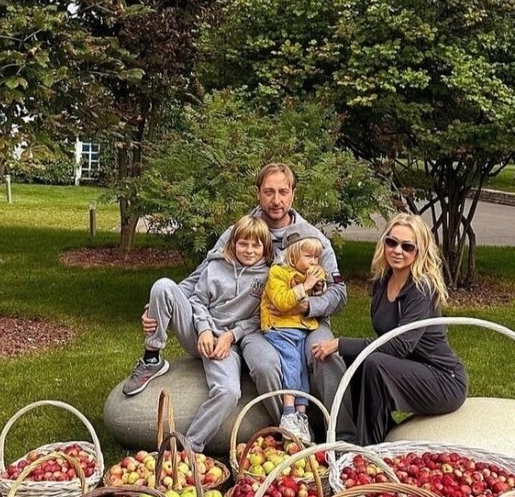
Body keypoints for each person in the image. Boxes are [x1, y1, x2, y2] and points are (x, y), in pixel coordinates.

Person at [128, 162, 349, 416]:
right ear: (258, 193)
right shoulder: (240, 232)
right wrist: (158, 307)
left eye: (283, 192)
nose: (276, 200)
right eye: (269, 192)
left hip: (305, 319)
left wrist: (309, 305)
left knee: (325, 355)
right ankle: (289, 427)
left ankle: (343, 436)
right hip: (257, 325)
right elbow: (202, 274)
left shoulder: (313, 238)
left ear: (293, 194)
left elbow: (339, 293)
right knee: (266, 364)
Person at [313, 212, 468, 446]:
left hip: (444, 379)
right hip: (411, 367)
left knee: (373, 363)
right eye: (392, 242)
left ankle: (367, 451)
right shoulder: (382, 281)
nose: (398, 250)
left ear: (420, 251)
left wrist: (341, 343)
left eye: (407, 246)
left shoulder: (421, 289)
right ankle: (353, 437)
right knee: (360, 364)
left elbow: (400, 344)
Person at [122, 215, 272, 452]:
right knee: (163, 286)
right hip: (198, 334)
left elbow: (259, 319)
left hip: (226, 346)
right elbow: (197, 300)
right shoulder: (215, 266)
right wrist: (203, 329)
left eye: (256, 245)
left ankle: (190, 446)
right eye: (243, 243)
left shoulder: (267, 277)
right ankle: (152, 357)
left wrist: (230, 336)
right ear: (233, 244)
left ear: (265, 248)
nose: (249, 250)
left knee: (229, 392)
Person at [259, 235, 327, 443]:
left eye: (317, 257)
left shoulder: (308, 273)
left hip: (300, 329)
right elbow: (280, 301)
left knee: (302, 371)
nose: (314, 262)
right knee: (291, 364)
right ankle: (288, 413)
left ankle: (301, 414)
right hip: (278, 329)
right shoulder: (277, 273)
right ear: (293, 255)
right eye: (308, 256)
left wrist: (318, 286)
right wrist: (305, 286)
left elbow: (320, 292)